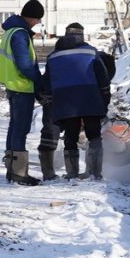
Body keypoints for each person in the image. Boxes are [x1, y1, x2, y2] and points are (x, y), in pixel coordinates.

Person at [41, 21, 117, 180]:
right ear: (82, 36)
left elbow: (47, 82)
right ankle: (95, 173)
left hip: (65, 100)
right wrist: (104, 102)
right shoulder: (91, 53)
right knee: (94, 135)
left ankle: (72, 173)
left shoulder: (53, 56)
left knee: (70, 135)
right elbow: (103, 79)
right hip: (90, 98)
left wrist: (49, 103)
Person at [0, 0, 47, 185]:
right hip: (21, 86)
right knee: (21, 129)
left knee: (14, 127)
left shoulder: (11, 31)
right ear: (31, 17)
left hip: (13, 86)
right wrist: (40, 82)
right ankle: (18, 173)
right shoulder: (20, 34)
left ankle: (12, 169)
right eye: (38, 19)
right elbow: (25, 65)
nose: (38, 23)